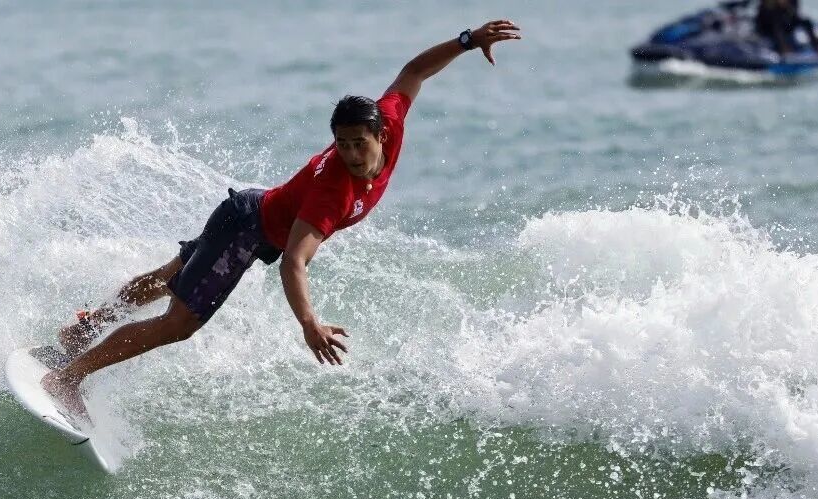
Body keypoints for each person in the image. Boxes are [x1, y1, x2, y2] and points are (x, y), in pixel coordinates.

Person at [42, 20, 523, 422]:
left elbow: (415, 71)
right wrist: (309, 323)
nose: (351, 154)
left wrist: (466, 41)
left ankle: (80, 332)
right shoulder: (333, 192)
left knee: (172, 276)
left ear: (381, 133)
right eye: (342, 144)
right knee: (178, 323)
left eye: (359, 143)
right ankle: (67, 377)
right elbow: (294, 261)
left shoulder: (390, 120)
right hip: (246, 230)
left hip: (250, 212)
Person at [754, 0, 818, 63]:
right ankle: (784, 50)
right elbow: (765, 15)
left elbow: (794, 14)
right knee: (777, 24)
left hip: (785, 23)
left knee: (806, 22)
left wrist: (787, 6)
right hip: (767, 26)